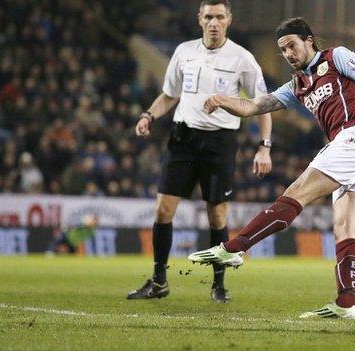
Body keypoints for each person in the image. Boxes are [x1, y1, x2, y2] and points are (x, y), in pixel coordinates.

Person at [188, 17, 355, 319]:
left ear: (309, 40)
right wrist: (222, 100)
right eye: (282, 50)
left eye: (291, 46)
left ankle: (235, 247)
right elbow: (254, 106)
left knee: (296, 191)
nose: (287, 54)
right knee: (345, 228)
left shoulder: (336, 57)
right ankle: (346, 303)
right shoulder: (297, 85)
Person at [127, 0, 273, 303]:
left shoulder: (242, 59)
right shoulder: (184, 52)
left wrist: (264, 147)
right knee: (163, 210)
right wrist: (148, 115)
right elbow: (170, 95)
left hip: (220, 143)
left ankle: (218, 285)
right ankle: (159, 281)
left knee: (217, 216)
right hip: (183, 139)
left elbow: (264, 105)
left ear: (229, 20)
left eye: (220, 16)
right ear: (200, 19)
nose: (214, 22)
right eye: (209, 16)